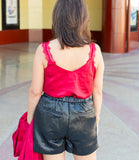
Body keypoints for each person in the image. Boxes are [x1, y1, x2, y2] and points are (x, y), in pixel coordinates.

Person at [27, 0, 104, 159]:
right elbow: (97, 91)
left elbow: (35, 92)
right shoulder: (94, 51)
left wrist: (29, 121)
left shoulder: (43, 50)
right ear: (83, 18)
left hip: (49, 113)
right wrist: (96, 119)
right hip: (84, 113)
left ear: (57, 18)